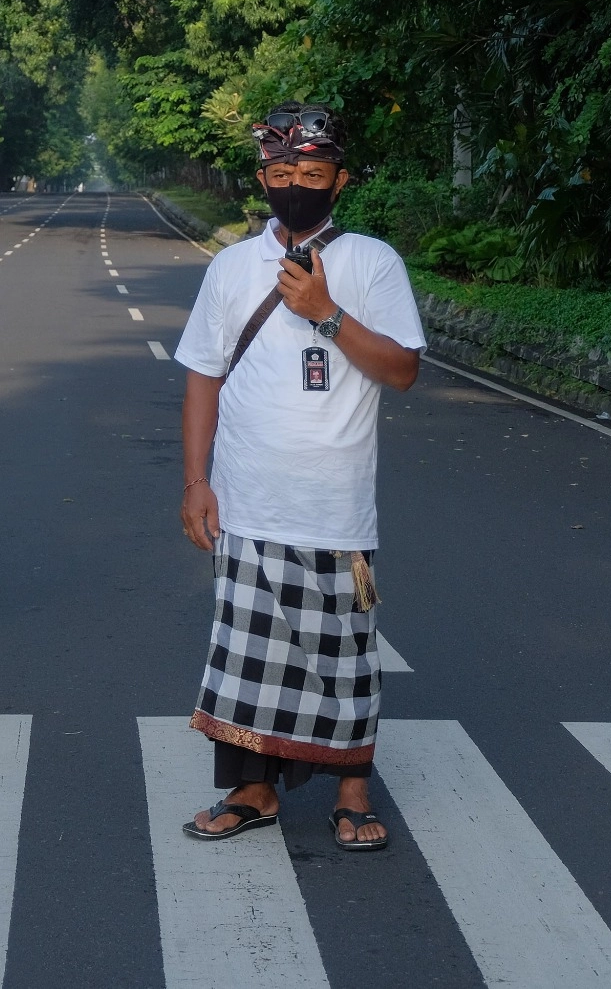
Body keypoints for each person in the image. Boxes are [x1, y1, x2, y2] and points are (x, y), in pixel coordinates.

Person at [172, 102, 426, 850]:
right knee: (250, 658)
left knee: (343, 656)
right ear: (263, 178)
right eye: (282, 173)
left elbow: (403, 371)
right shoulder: (230, 266)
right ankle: (254, 790)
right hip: (248, 500)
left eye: (312, 174)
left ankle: (353, 794)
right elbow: (201, 378)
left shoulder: (372, 262)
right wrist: (196, 481)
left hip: (334, 505)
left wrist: (325, 313)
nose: (296, 186)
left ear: (339, 180)